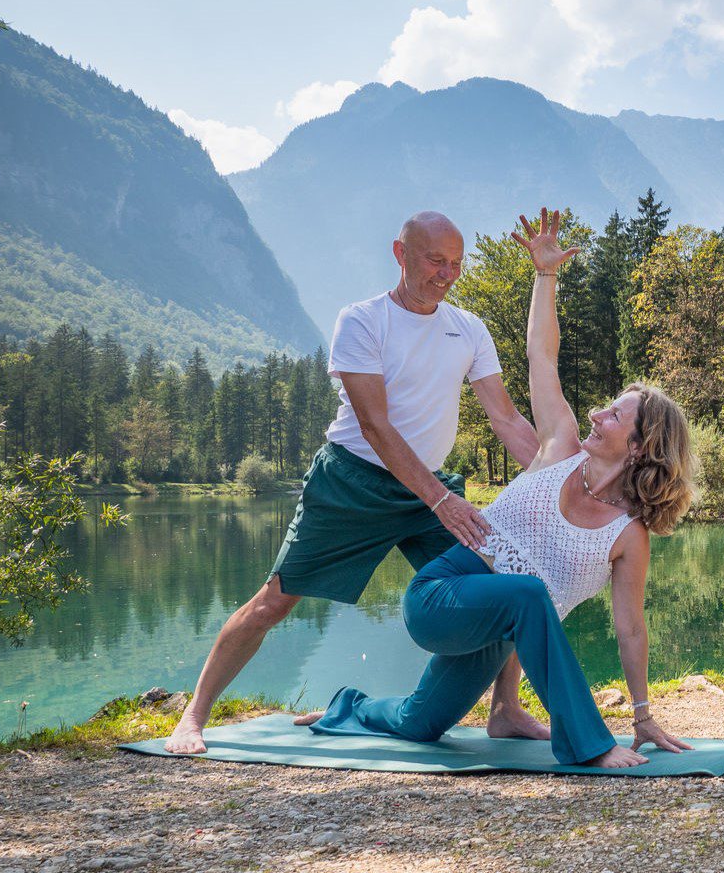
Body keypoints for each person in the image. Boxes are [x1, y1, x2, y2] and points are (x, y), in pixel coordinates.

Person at [298, 208, 697, 767]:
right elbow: (543, 355)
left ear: (639, 447)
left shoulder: (628, 533)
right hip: (445, 593)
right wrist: (545, 276)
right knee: (529, 591)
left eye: (614, 414)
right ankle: (587, 744)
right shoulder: (558, 448)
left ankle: (349, 706)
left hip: (499, 628)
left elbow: (631, 628)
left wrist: (644, 714)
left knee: (421, 723)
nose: (596, 413)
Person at [165, 211, 543, 754]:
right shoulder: (363, 321)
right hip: (353, 485)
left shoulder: (469, 328)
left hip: (429, 489)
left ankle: (505, 709)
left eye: (456, 263)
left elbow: (506, 419)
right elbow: (375, 424)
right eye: (435, 260)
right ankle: (193, 716)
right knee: (274, 602)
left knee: (506, 571)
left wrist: (563, 478)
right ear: (400, 253)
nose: (447, 274)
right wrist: (439, 499)